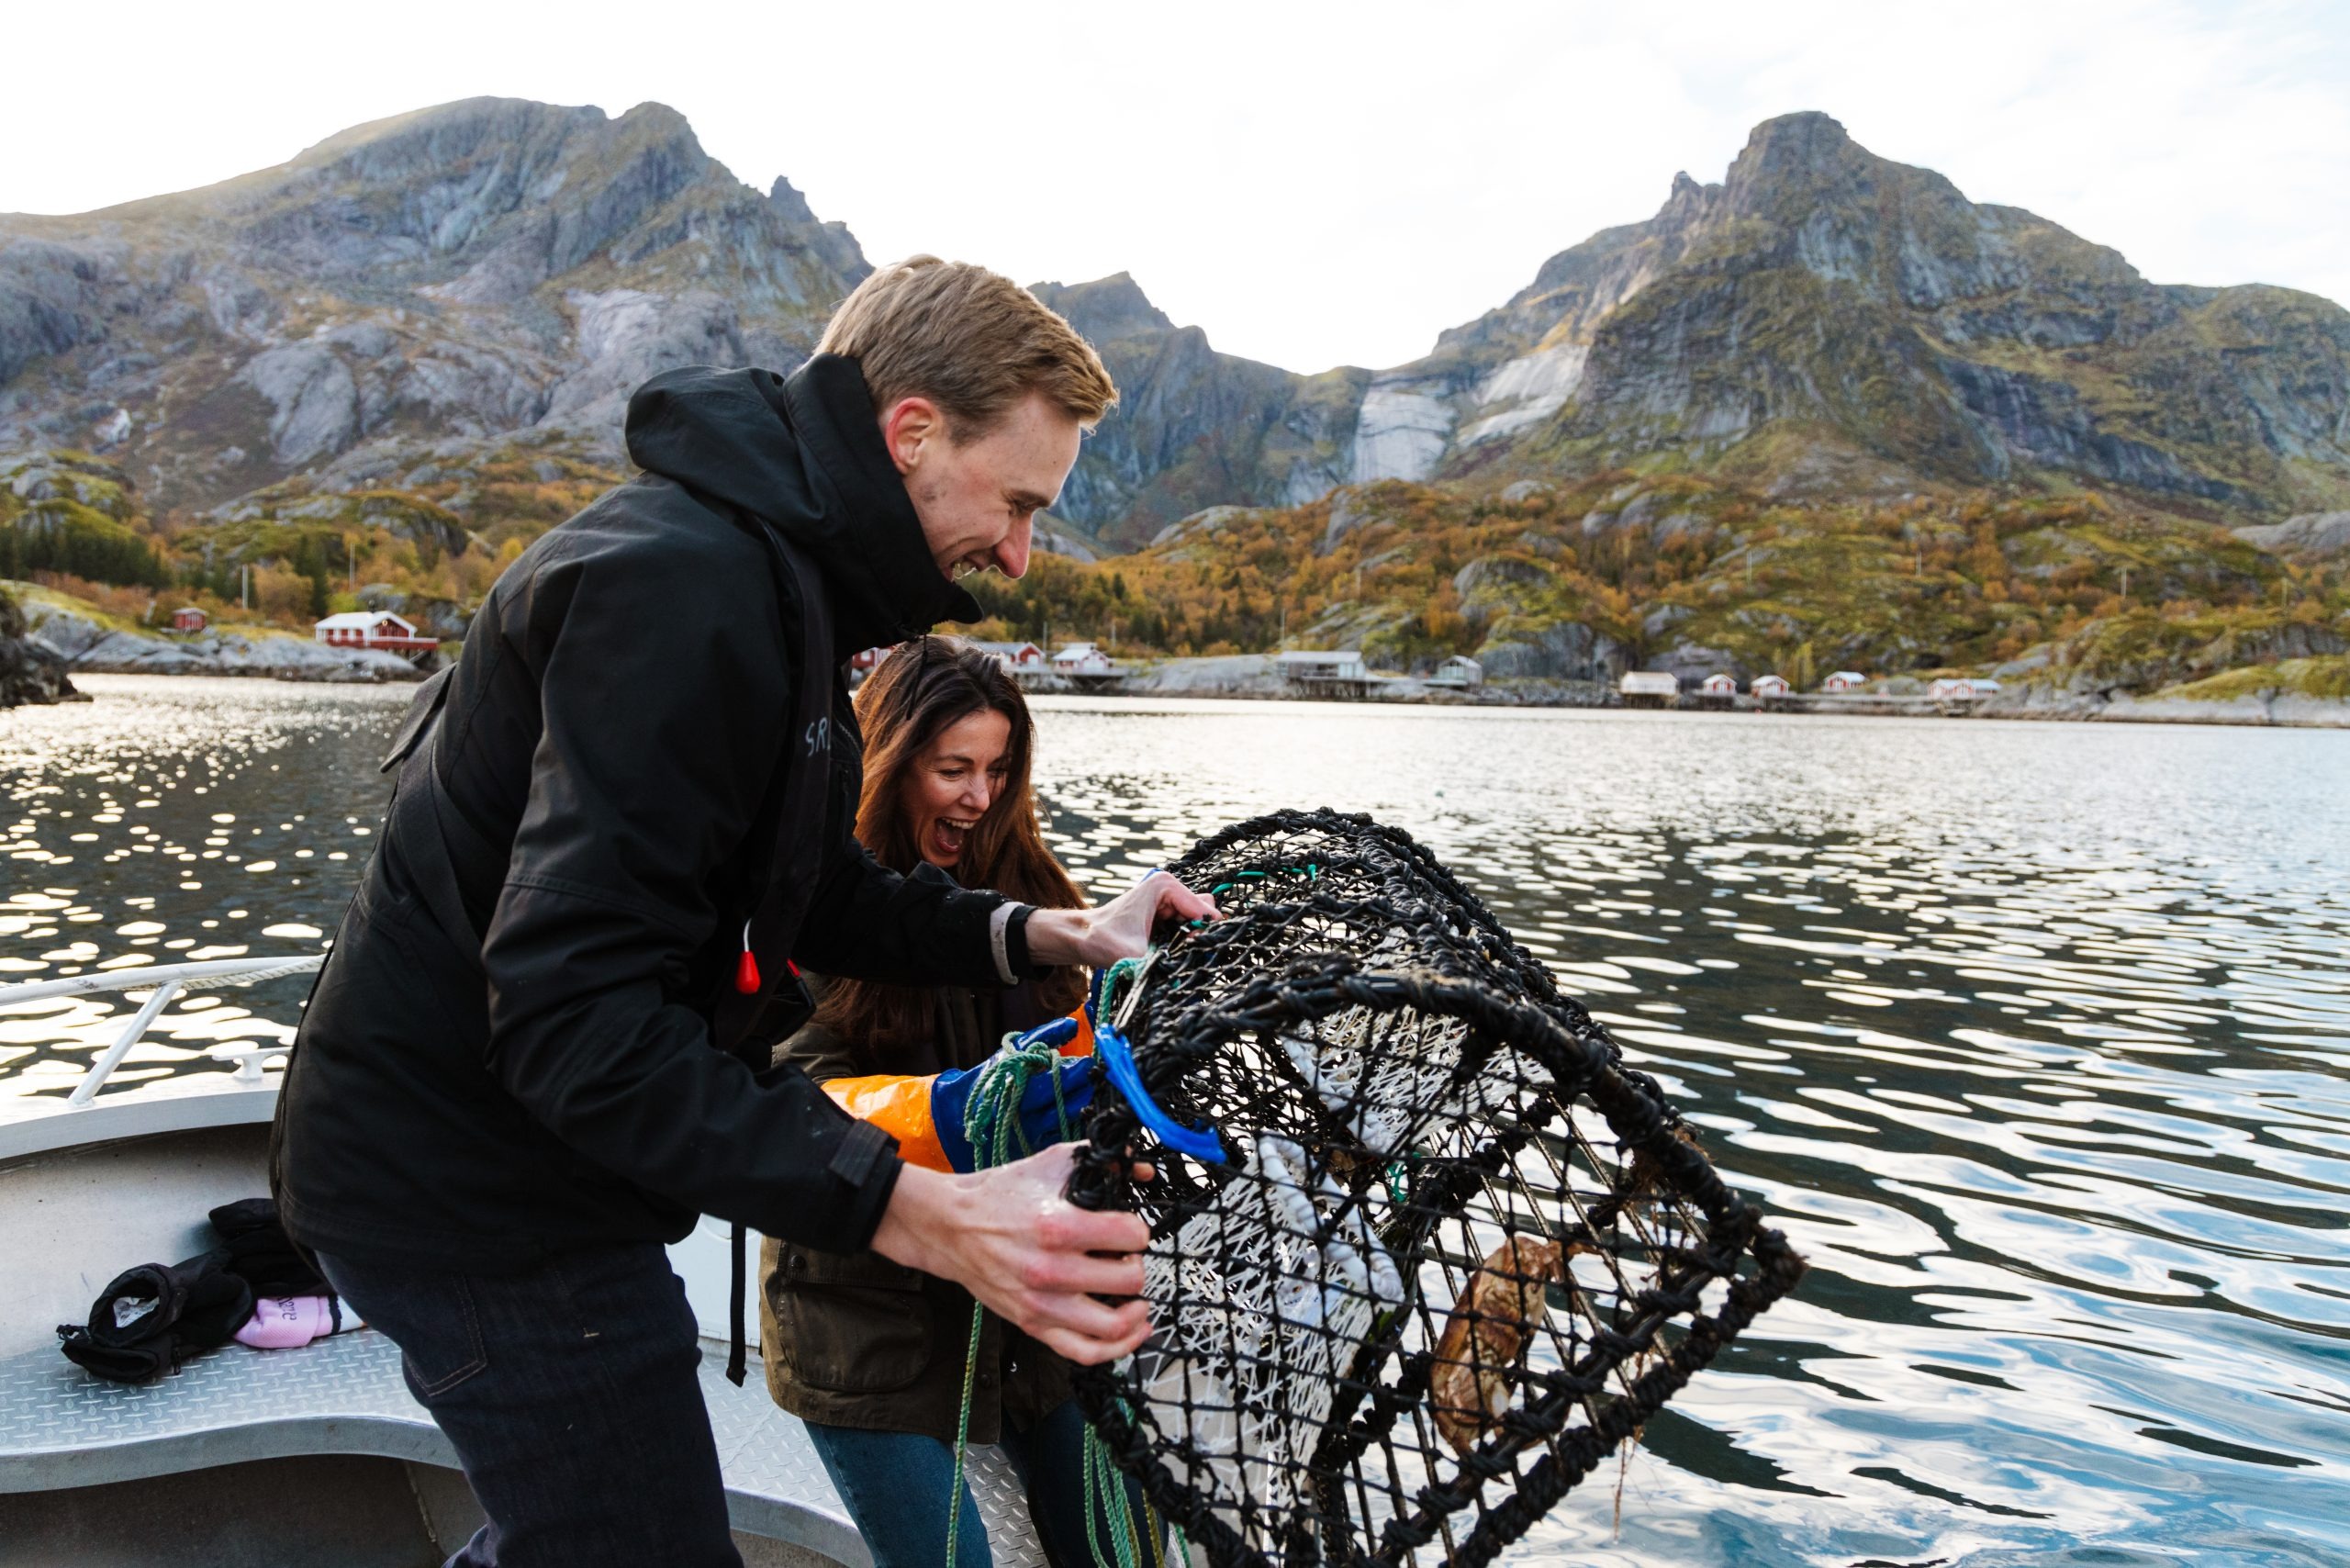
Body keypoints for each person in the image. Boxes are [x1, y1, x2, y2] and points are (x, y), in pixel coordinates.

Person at [271, 257, 1215, 1568]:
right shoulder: (686, 591)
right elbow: (575, 1025)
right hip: (460, 1186)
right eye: (1015, 504)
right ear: (912, 434)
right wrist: (925, 1214)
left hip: (540, 1165)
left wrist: (1054, 933)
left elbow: (811, 891)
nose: (1017, 553)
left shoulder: (778, 583)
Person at [761, 636, 1145, 1567]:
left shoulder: (1042, 897)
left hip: (1029, 1310)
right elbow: (784, 1099)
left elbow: (1094, 1048)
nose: (979, 795)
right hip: (864, 1320)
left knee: (1121, 1548)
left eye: (999, 769)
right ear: (889, 762)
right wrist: (988, 1106)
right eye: (952, 769)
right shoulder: (812, 900)